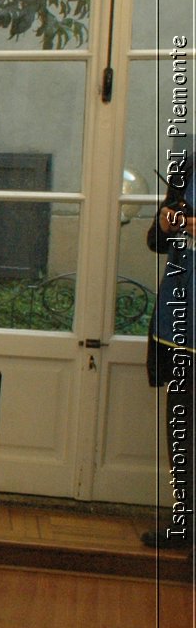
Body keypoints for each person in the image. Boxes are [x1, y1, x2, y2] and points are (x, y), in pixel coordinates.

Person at [146, 156, 192, 549]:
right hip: (179, 331)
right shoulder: (189, 167)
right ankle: (185, 523)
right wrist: (166, 222)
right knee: (182, 434)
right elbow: (155, 241)